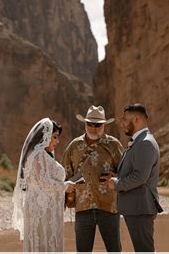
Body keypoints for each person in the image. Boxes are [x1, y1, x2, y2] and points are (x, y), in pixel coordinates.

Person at [61, 105, 124, 252]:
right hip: (82, 208)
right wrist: (64, 198)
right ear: (85, 124)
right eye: (90, 123)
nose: (93, 127)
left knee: (114, 250)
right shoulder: (74, 146)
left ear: (104, 126)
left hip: (109, 207)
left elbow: (126, 173)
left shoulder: (114, 145)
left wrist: (114, 177)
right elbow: (64, 175)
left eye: (97, 125)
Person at [12, 118, 75, 252]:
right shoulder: (38, 155)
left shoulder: (45, 155)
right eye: (55, 137)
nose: (57, 141)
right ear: (45, 136)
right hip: (41, 210)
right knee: (43, 244)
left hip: (47, 209)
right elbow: (43, 182)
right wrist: (65, 186)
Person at [106, 103, 163, 252]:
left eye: (125, 119)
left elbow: (140, 177)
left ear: (137, 119)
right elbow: (136, 171)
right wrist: (117, 176)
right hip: (137, 207)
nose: (122, 123)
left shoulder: (145, 143)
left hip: (140, 208)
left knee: (144, 250)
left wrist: (116, 184)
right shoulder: (139, 141)